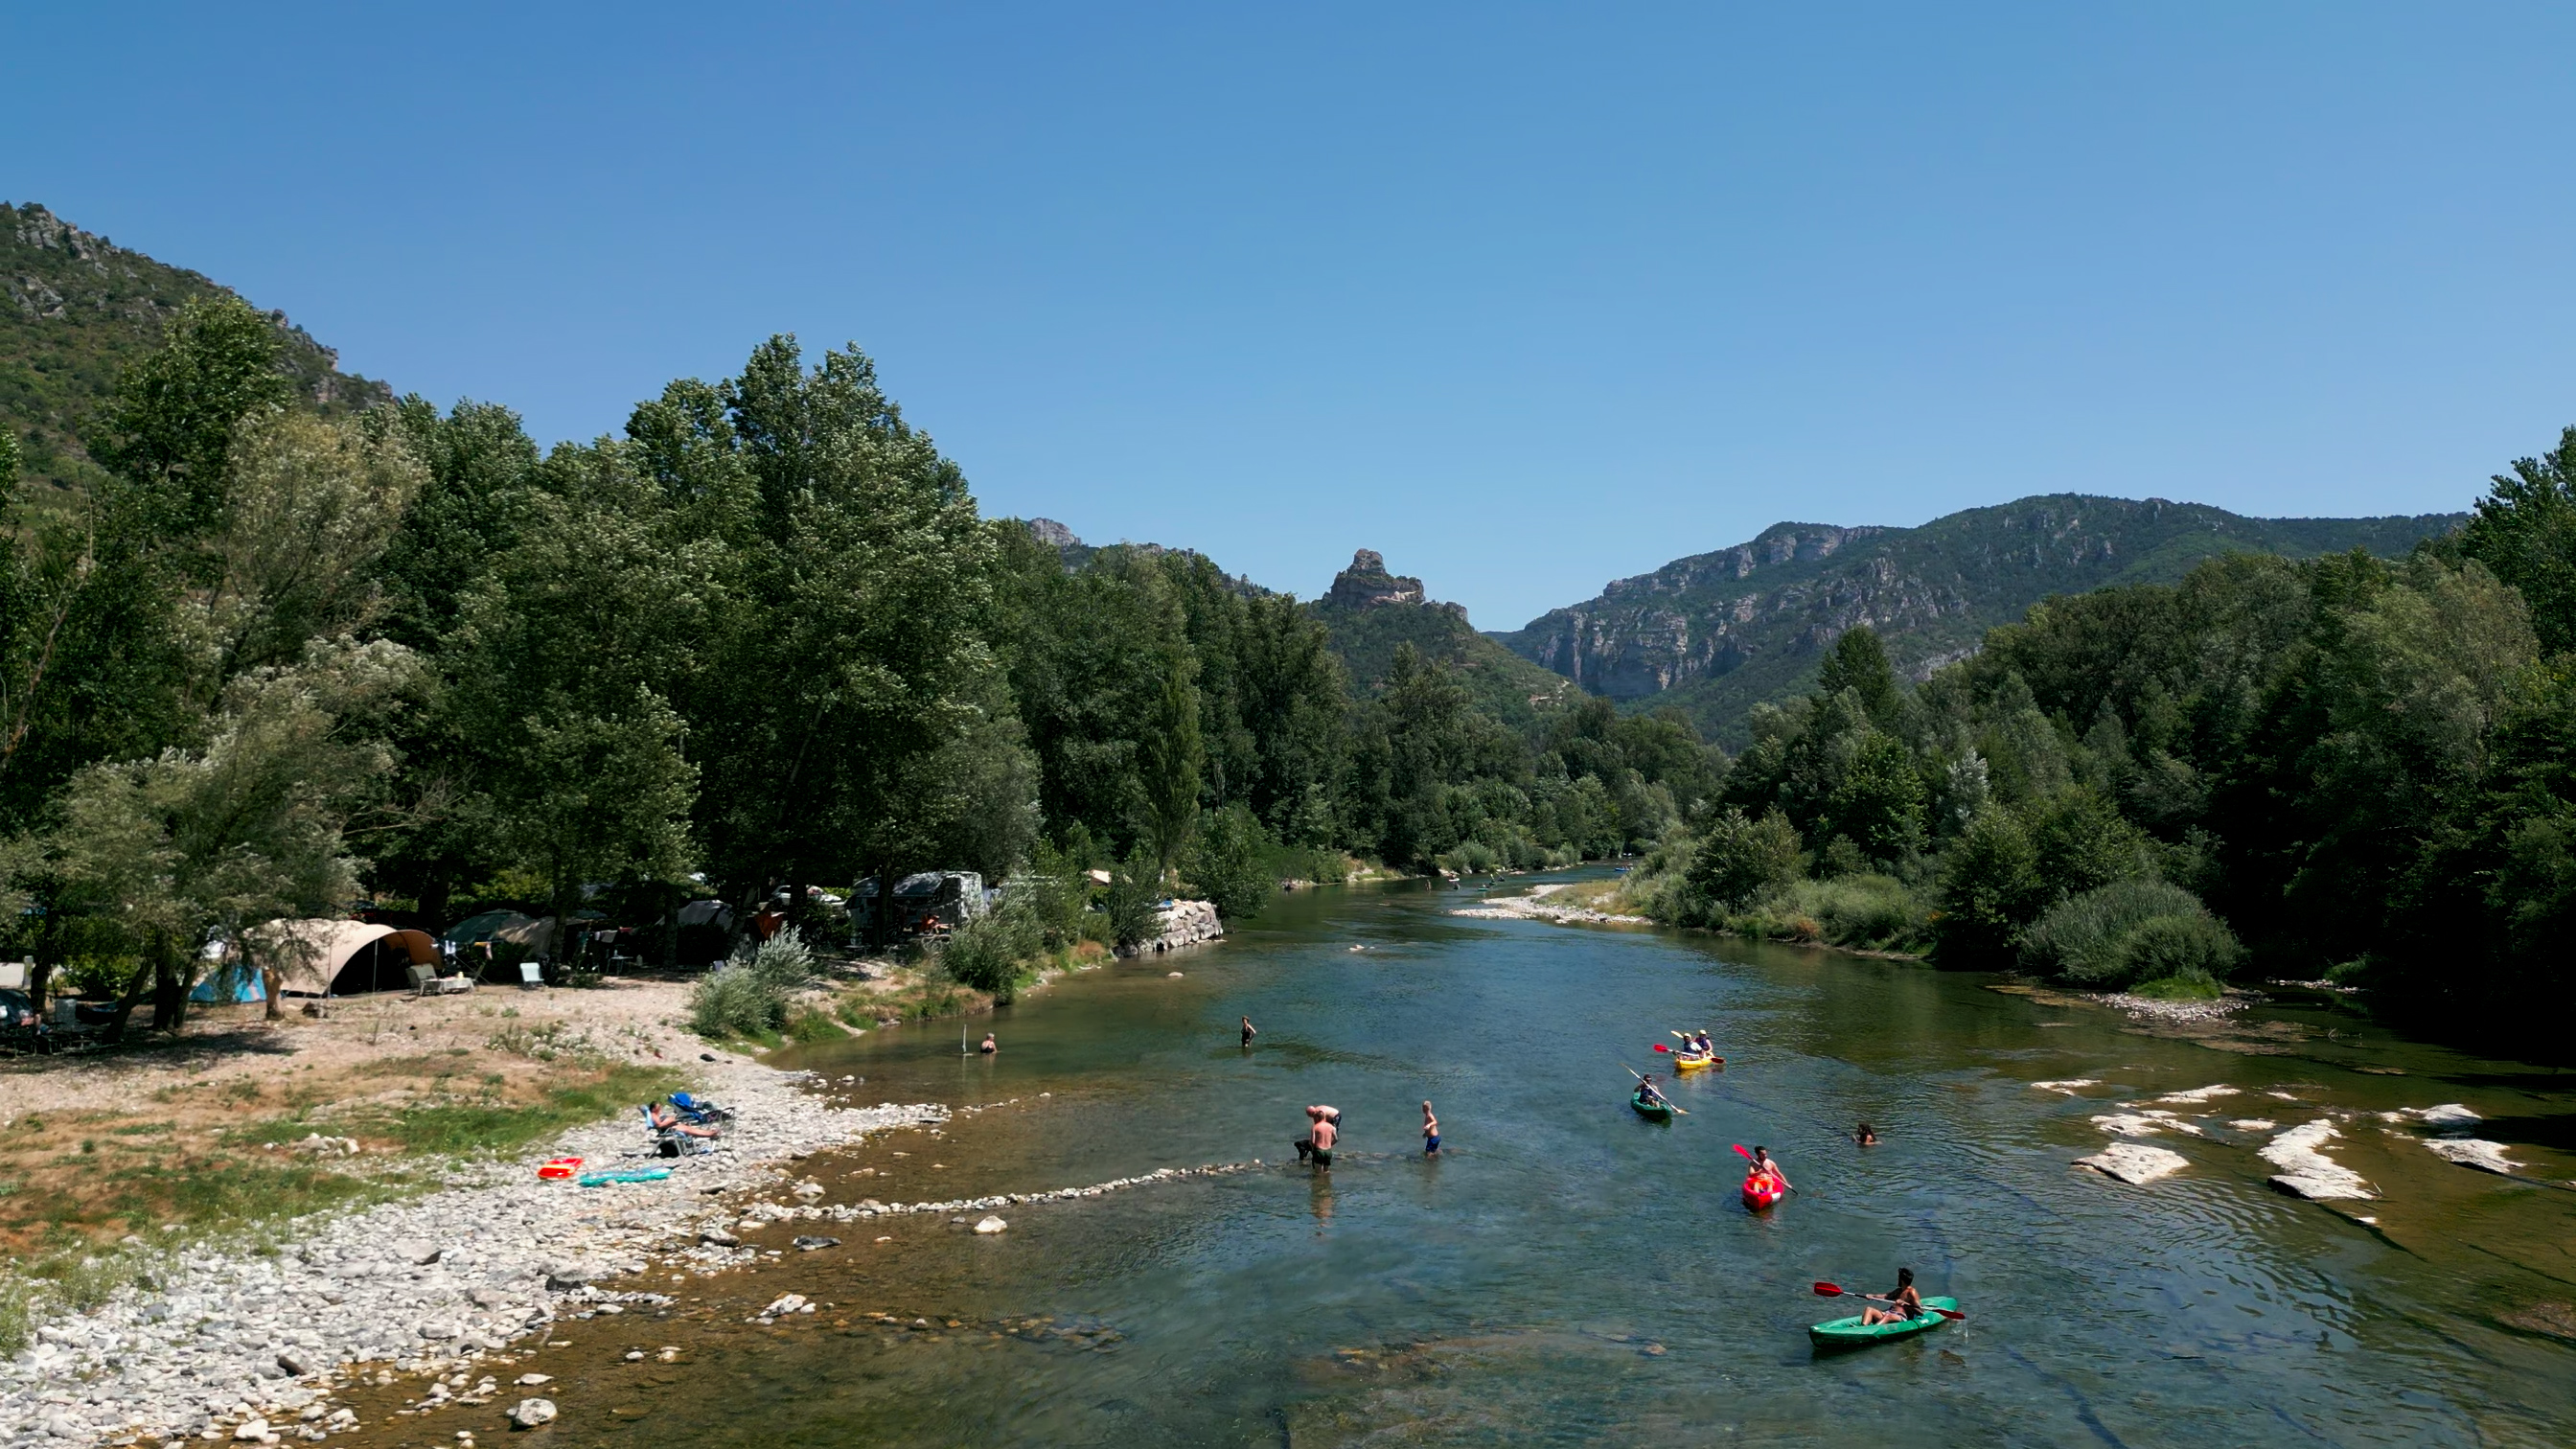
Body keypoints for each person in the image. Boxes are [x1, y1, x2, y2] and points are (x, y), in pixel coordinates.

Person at [1858, 1267, 1922, 1326]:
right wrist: (1872, 1296)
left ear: (1901, 1279)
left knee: (1888, 1316)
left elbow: (1921, 1312)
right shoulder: (1899, 1291)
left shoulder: (1912, 1292)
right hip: (1889, 1314)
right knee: (1869, 1309)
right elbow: (1885, 1296)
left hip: (1901, 1317)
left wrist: (1905, 1304)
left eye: (1899, 1277)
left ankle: (1873, 1329)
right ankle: (1863, 1328)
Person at [648, 1100, 720, 1139]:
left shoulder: (656, 1115)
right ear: (653, 1109)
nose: (660, 1108)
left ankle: (710, 1133)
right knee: (691, 1130)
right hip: (670, 1129)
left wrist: (672, 1120)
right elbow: (659, 1125)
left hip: (672, 1126)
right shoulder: (653, 1115)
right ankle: (710, 1134)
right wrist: (670, 1121)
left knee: (691, 1129)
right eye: (658, 1107)